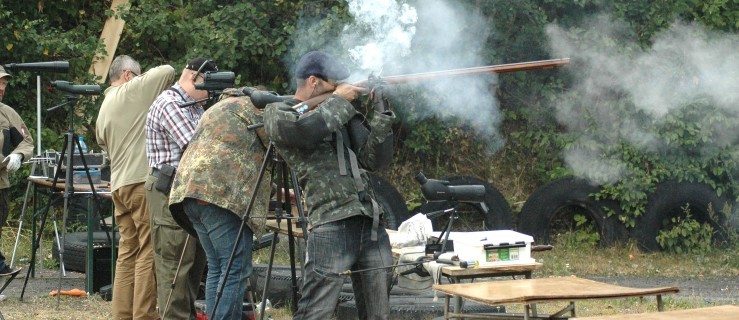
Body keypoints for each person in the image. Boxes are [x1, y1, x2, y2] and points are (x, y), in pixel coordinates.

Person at [264, 51, 396, 319]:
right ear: (314, 81)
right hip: (331, 223)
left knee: (378, 315)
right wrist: (338, 100)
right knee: (317, 313)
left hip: (369, 222)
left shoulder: (340, 113)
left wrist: (381, 109)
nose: (340, 89)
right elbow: (304, 132)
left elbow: (375, 159)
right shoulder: (279, 112)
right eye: (334, 83)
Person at [169, 87, 271, 320]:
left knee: (217, 266)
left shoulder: (218, 109)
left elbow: (230, 156)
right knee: (235, 267)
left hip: (189, 193)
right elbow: (278, 142)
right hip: (219, 196)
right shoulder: (254, 108)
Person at [96, 55, 175, 320]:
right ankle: (144, 315)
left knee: (127, 253)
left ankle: (121, 314)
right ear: (128, 75)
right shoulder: (129, 90)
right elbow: (167, 70)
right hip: (141, 182)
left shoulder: (104, 106)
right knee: (149, 251)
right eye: (137, 76)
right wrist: (142, 81)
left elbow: (104, 147)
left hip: (119, 186)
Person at [145, 57, 216, 319]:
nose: (210, 95)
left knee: (193, 266)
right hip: (168, 190)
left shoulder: (194, 105)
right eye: (208, 87)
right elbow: (196, 148)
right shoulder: (171, 103)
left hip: (185, 191)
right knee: (175, 267)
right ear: (194, 77)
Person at [0, 66, 34, 276]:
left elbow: (27, 141)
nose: (1, 87)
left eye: (4, 83)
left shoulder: (6, 113)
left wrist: (18, 155)